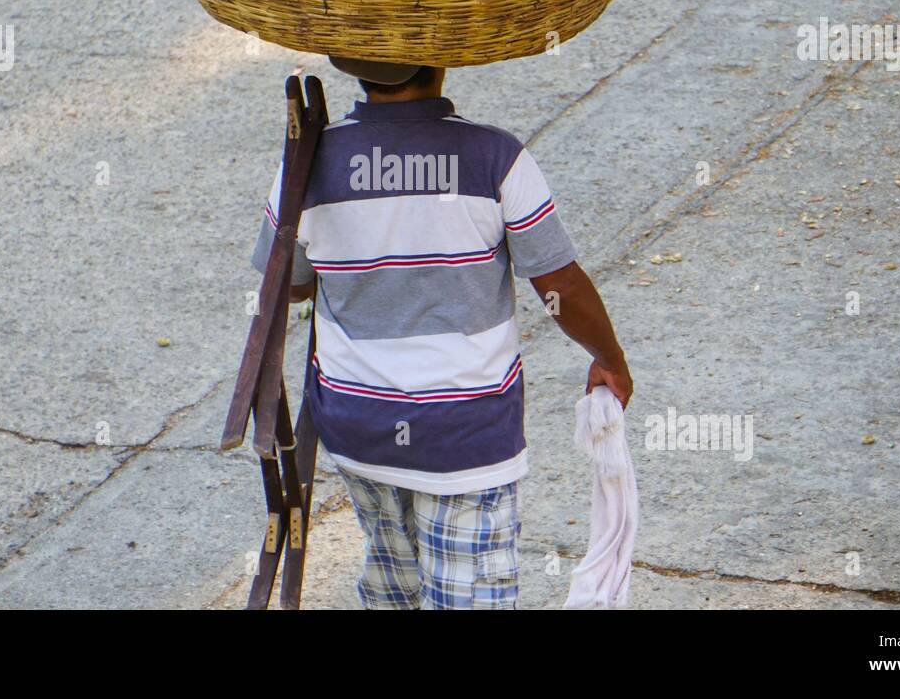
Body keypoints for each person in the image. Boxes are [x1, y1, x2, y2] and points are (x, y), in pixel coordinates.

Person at [251, 56, 634, 609]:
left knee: (393, 583)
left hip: (359, 425)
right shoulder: (495, 157)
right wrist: (609, 359)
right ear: (442, 61)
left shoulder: (308, 165)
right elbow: (560, 287)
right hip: (466, 433)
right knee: (470, 593)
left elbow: (286, 286)